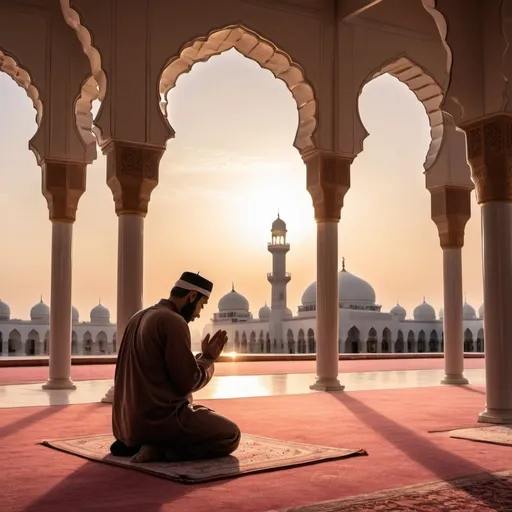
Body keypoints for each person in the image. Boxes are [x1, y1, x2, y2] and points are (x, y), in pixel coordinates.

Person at [110, 271, 241, 463]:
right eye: (201, 306)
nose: (198, 314)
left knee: (202, 413)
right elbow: (187, 382)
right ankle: (162, 451)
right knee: (231, 434)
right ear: (192, 296)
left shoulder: (137, 317)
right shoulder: (173, 321)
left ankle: (138, 442)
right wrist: (209, 359)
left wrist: (202, 358)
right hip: (158, 422)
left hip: (124, 426)